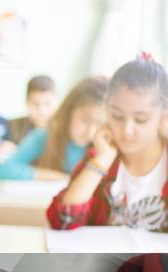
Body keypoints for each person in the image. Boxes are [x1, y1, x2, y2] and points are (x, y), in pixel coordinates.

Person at [47, 55, 167, 232]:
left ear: (163, 117)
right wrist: (101, 161)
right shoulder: (100, 158)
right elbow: (63, 221)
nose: (127, 130)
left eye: (141, 119)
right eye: (117, 116)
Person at [0, 77, 108, 180]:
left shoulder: (106, 147)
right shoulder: (43, 136)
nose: (91, 132)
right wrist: (53, 176)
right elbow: (3, 170)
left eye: (99, 124)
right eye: (85, 120)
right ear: (68, 112)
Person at [8, 75, 58, 144]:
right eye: (35, 104)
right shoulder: (12, 126)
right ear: (26, 102)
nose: (41, 111)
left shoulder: (63, 130)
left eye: (48, 104)